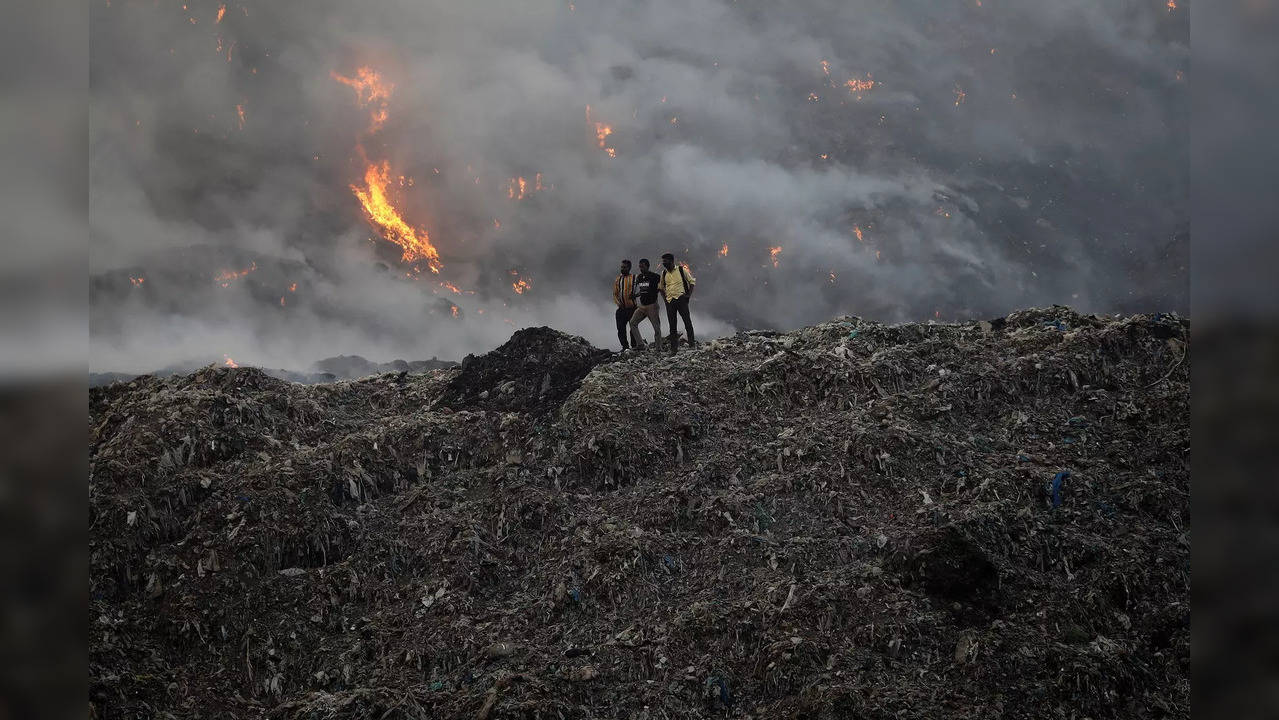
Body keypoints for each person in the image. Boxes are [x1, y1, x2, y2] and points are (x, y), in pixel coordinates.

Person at [657, 252, 695, 353]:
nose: (664, 264)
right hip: (670, 302)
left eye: (666, 262)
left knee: (687, 322)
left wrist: (688, 295)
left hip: (681, 299)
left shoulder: (682, 270)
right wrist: (665, 300)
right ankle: (674, 348)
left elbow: (692, 282)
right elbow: (660, 287)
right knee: (672, 326)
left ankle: (692, 344)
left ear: (672, 261)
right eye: (663, 262)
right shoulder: (664, 273)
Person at [628, 258, 662, 350]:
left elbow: (661, 285)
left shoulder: (654, 276)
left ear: (647, 266)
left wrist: (656, 292)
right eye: (640, 267)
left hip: (652, 305)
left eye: (642, 267)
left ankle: (658, 348)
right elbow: (643, 290)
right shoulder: (639, 277)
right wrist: (636, 295)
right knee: (632, 323)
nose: (641, 268)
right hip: (642, 306)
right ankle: (640, 344)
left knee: (656, 328)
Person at [612, 259, 636, 350]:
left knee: (633, 328)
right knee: (621, 329)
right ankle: (625, 347)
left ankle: (634, 346)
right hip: (621, 309)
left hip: (632, 308)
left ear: (629, 268)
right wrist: (618, 303)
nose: (622, 269)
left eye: (624, 267)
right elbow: (615, 294)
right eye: (621, 267)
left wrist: (636, 295)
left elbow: (639, 290)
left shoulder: (634, 278)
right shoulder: (618, 279)